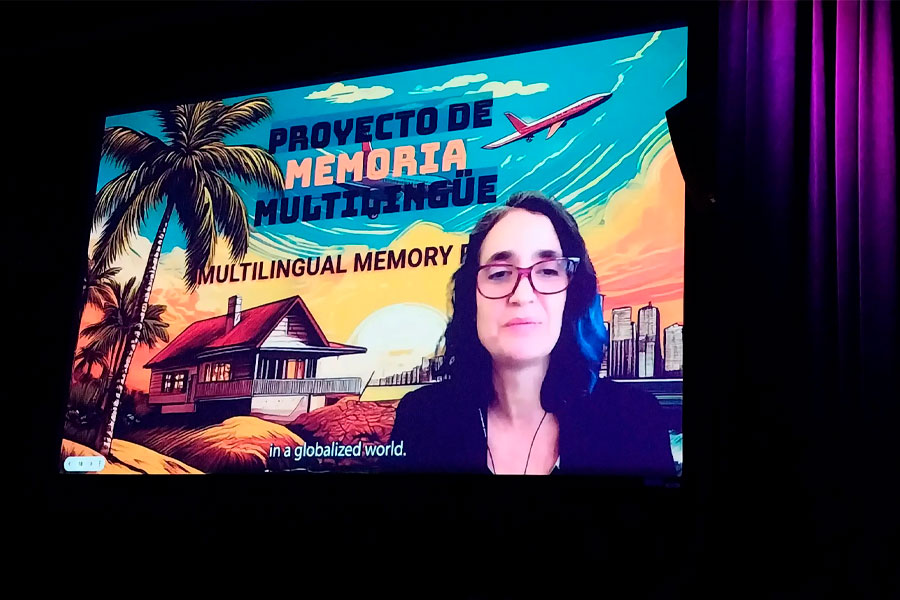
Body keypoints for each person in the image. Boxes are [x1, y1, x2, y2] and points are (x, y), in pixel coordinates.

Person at [386, 191, 676, 476]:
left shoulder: (634, 420)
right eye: (499, 273)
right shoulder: (421, 418)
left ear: (572, 296)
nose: (522, 296)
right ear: (471, 300)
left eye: (548, 271)